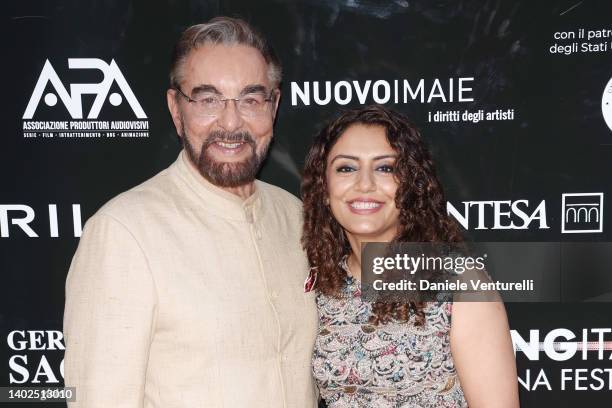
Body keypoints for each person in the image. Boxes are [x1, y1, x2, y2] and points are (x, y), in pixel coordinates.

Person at [63, 17, 318, 408]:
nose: (231, 123)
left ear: (274, 106)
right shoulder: (123, 233)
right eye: (208, 100)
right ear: (176, 109)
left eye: (251, 99)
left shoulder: (296, 216)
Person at [301, 105, 519, 407]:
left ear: (410, 184)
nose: (365, 184)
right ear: (324, 189)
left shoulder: (459, 283)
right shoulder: (323, 285)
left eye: (385, 168)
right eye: (346, 168)